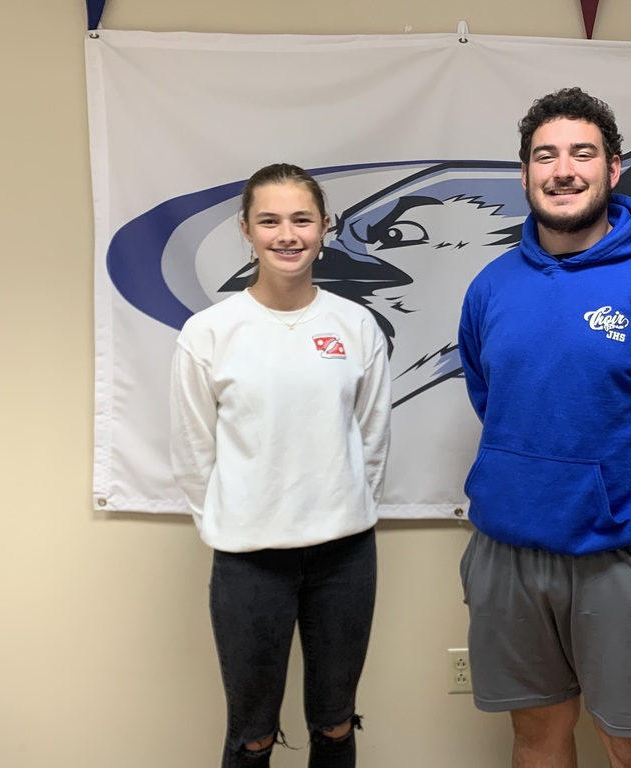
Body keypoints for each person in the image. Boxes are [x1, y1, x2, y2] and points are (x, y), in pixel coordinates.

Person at [457, 88, 631, 768]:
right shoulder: (491, 287)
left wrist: (622, 480)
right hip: (510, 553)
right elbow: (493, 399)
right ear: (525, 173)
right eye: (545, 155)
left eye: (582, 154)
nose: (563, 170)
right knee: (536, 735)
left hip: (625, 554)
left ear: (612, 170)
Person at [169, 163, 391, 768]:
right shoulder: (208, 333)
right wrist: (237, 522)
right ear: (246, 230)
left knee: (336, 726)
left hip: (344, 558)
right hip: (249, 561)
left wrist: (344, 506)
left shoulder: (356, 325)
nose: (287, 235)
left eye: (301, 219)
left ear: (325, 227)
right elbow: (193, 452)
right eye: (269, 221)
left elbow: (371, 439)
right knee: (252, 735)